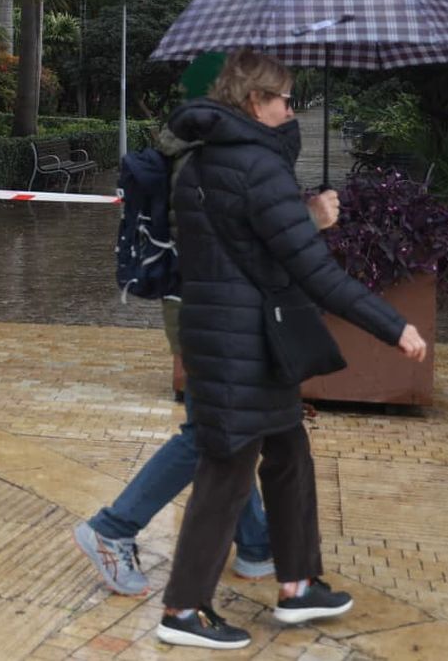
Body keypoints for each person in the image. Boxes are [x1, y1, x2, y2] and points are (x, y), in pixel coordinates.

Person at [154, 50, 427, 650]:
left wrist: (305, 213)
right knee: (226, 471)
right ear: (255, 102)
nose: (292, 110)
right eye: (284, 99)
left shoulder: (200, 161)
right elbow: (313, 272)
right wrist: (392, 325)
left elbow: (243, 245)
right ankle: (182, 610)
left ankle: (299, 585)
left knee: (288, 452)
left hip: (231, 335)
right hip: (243, 344)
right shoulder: (258, 168)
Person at [74, 121, 341, 598]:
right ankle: (113, 528)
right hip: (209, 314)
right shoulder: (211, 155)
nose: (287, 108)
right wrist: (309, 221)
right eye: (278, 98)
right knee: (207, 435)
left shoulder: (218, 145)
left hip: (214, 311)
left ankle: (255, 544)